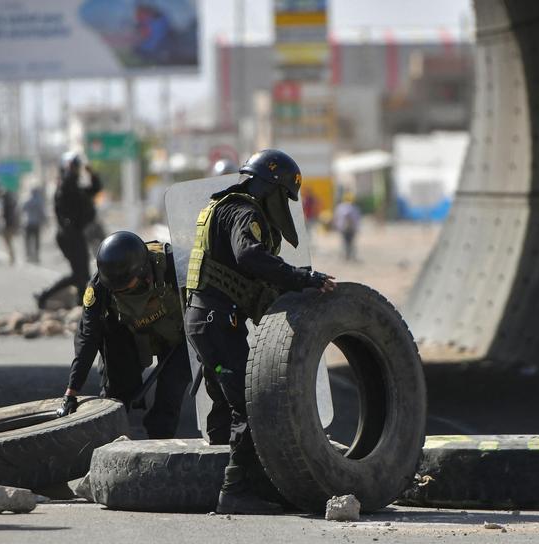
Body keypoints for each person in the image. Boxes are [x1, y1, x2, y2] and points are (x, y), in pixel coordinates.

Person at [184, 148, 335, 514]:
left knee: (225, 403)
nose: (282, 205)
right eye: (283, 195)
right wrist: (302, 278)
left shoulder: (223, 206)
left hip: (208, 319)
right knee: (249, 404)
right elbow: (248, 256)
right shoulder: (244, 210)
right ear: (270, 187)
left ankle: (239, 483)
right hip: (217, 322)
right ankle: (234, 491)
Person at [56, 231, 192, 438]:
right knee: (116, 391)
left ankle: (160, 441)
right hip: (130, 334)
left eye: (124, 287)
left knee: (170, 391)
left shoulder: (173, 265)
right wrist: (72, 391)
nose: (118, 292)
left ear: (143, 272)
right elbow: (88, 337)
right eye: (114, 288)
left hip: (176, 335)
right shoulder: (100, 286)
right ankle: (111, 438)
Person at [36, 152, 103, 308]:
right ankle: (45, 295)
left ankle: (82, 305)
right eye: (75, 167)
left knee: (82, 275)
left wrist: (91, 172)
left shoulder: (74, 188)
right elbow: (71, 181)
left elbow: (95, 188)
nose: (77, 170)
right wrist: (72, 167)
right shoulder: (65, 185)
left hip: (75, 233)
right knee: (80, 274)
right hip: (69, 234)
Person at [333, 192, 361, 261]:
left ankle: (347, 256)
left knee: (346, 242)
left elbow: (336, 217)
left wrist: (336, 225)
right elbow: (355, 218)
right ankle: (349, 256)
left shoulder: (340, 207)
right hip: (351, 227)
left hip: (343, 227)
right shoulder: (354, 207)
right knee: (350, 242)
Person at [22, 187, 46, 263]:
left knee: (28, 240)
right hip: (36, 223)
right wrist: (45, 221)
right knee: (36, 240)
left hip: (28, 223)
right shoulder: (39, 201)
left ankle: (28, 255)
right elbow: (42, 213)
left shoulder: (28, 201)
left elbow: (22, 209)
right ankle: (36, 255)